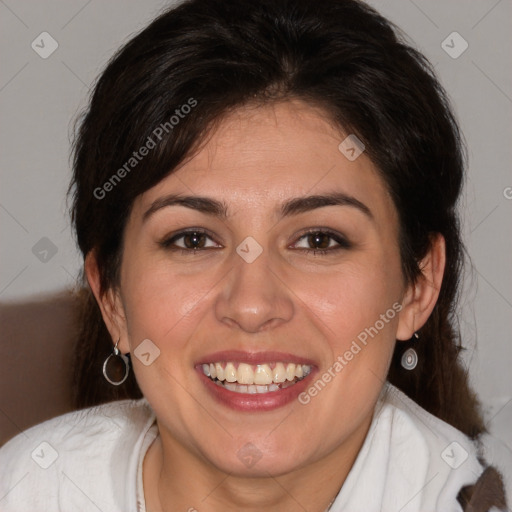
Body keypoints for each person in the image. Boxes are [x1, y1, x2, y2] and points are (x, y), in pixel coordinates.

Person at [0, 0, 508, 510]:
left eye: (319, 240)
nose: (251, 305)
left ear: (417, 287)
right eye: (193, 239)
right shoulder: (28, 488)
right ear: (111, 298)